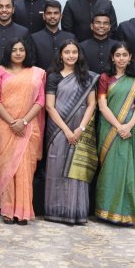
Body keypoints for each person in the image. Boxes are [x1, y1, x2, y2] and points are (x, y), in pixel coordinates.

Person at [43, 40, 98, 225]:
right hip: (59, 131)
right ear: (61, 55)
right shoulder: (53, 77)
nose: (71, 55)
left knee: (77, 171)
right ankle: (56, 211)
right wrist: (67, 130)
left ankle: (76, 211)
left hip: (80, 130)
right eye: (67, 52)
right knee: (56, 168)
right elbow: (50, 107)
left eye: (74, 52)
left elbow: (92, 104)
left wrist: (80, 129)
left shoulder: (87, 77)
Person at [0, 38, 46, 225]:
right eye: (14, 50)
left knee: (24, 169)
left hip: (28, 126)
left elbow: (40, 101)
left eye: (21, 50)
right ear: (8, 52)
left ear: (26, 52)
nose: (17, 53)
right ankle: (8, 210)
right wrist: (12, 122)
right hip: (5, 127)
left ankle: (22, 211)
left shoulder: (36, 73)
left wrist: (23, 121)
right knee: (6, 167)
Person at [94, 42, 135, 225]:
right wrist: (119, 126)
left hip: (131, 130)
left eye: (125, 55)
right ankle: (106, 211)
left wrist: (129, 126)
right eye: (118, 55)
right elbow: (102, 105)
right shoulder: (105, 78)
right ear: (112, 57)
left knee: (129, 169)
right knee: (109, 169)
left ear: (130, 57)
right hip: (110, 129)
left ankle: (128, 212)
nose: (121, 58)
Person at [31, 0, 76, 70]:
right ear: (44, 16)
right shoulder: (34, 38)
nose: (52, 16)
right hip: (42, 79)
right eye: (49, 13)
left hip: (66, 79)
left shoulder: (70, 37)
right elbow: (32, 65)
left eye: (56, 13)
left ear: (60, 16)